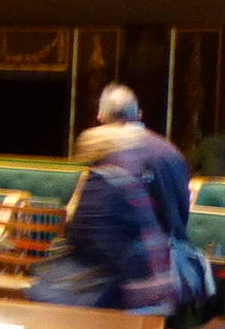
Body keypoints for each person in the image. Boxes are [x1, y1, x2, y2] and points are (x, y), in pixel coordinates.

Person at [49, 123, 177, 314]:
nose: (139, 159)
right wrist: (142, 283)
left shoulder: (98, 182)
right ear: (112, 155)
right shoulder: (112, 187)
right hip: (105, 291)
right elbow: (105, 243)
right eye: (131, 152)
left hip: (104, 285)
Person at [96, 82, 192, 242]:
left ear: (101, 118)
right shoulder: (170, 150)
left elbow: (88, 219)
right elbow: (182, 210)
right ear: (139, 115)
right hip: (173, 253)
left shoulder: (106, 154)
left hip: (126, 257)